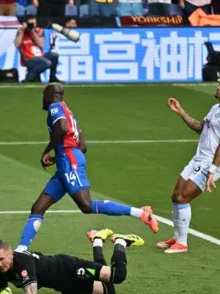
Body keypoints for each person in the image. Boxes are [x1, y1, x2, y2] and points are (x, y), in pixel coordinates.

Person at [14, 83, 158, 253]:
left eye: (44, 94)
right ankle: (21, 249)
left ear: (51, 94)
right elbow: (83, 145)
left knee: (86, 205)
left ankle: (142, 214)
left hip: (69, 160)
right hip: (66, 161)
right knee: (38, 207)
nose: (42, 98)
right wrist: (58, 155)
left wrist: (47, 151)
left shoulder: (55, 107)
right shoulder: (70, 113)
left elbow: (61, 128)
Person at [157, 77, 220, 254]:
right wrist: (180, 111)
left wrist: (212, 170)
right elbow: (200, 127)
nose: (218, 88)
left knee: (183, 198)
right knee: (175, 196)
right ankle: (176, 237)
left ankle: (183, 243)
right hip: (197, 159)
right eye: (219, 84)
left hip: (209, 164)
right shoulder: (215, 108)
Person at [0, 230, 144, 294]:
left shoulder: (23, 262)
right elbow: (4, 290)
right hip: (65, 287)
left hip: (70, 268)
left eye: (2, 259)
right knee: (109, 291)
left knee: (118, 276)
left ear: (11, 254)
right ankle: (97, 239)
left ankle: (120, 242)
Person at [15, 17, 60, 83]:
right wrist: (22, 31)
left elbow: (41, 44)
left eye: (34, 23)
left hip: (40, 56)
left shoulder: (39, 31)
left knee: (54, 55)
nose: (33, 25)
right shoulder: (21, 32)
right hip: (28, 58)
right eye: (31, 24)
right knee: (47, 63)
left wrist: (32, 32)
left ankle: (52, 77)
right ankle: (29, 78)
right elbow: (17, 45)